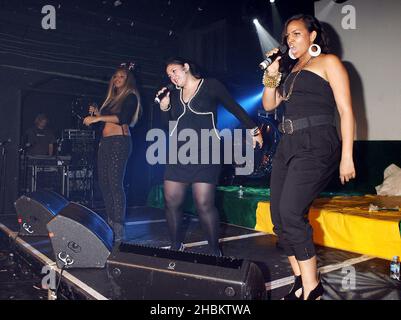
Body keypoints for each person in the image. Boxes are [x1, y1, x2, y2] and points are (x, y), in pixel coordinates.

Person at [262, 14, 355, 300]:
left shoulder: (329, 63)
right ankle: (301, 280)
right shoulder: (289, 73)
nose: (290, 39)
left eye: (296, 33)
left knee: (291, 212)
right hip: (288, 145)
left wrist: (347, 156)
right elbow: (269, 103)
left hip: (317, 142)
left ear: (312, 36)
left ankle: (313, 288)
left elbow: (346, 111)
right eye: (287, 35)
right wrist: (272, 71)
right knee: (278, 217)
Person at [157, 57, 263, 256]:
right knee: (171, 200)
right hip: (179, 153)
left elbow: (234, 107)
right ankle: (175, 245)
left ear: (186, 67)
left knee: (204, 203)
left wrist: (254, 129)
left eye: (174, 71)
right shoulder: (174, 95)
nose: (172, 77)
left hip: (206, 151)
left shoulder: (210, 85)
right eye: (169, 75)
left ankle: (214, 251)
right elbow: (169, 126)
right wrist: (164, 107)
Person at [83, 62, 142, 242]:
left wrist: (98, 117)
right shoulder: (112, 98)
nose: (118, 79)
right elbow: (108, 120)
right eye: (115, 76)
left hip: (119, 142)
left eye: (122, 76)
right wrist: (98, 112)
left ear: (128, 79)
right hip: (106, 142)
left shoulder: (131, 96)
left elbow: (123, 118)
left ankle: (118, 227)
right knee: (104, 183)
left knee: (115, 183)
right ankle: (110, 223)